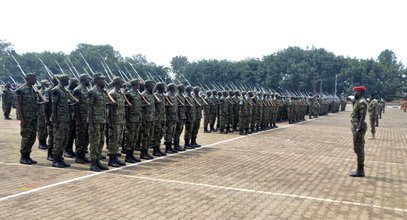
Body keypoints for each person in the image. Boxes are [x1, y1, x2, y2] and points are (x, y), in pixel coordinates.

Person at [16, 73, 39, 164]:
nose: (35, 81)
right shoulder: (21, 90)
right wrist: (22, 119)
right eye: (34, 79)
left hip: (33, 118)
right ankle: (23, 157)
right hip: (26, 119)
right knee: (26, 137)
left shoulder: (33, 89)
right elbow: (19, 106)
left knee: (32, 138)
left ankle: (28, 156)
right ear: (28, 79)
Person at [88, 73, 109, 172]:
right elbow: (90, 109)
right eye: (102, 80)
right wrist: (91, 124)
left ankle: (98, 161)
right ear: (97, 80)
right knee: (94, 143)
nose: (104, 81)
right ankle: (93, 163)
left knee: (101, 142)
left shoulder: (102, 92)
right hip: (95, 122)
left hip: (102, 121)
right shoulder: (93, 91)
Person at [50, 74, 71, 168]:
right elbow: (53, 106)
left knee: (64, 140)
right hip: (59, 119)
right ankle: (55, 160)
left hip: (65, 119)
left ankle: (60, 158)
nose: (68, 82)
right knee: (58, 140)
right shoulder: (56, 90)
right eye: (67, 80)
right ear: (62, 80)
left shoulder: (64, 90)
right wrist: (55, 121)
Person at [73, 74, 92, 164]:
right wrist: (78, 119)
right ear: (84, 79)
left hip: (86, 117)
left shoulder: (86, 89)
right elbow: (75, 105)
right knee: (80, 137)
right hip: (80, 117)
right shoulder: (78, 90)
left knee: (85, 137)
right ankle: (79, 156)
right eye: (88, 79)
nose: (90, 81)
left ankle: (83, 154)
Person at [349, 86, 368, 177]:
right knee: (357, 148)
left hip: (358, 128)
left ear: (360, 92)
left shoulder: (362, 102)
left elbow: (363, 116)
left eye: (355, 92)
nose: (354, 94)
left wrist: (358, 128)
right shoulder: (357, 101)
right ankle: (359, 169)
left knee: (359, 148)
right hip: (356, 127)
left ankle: (360, 170)